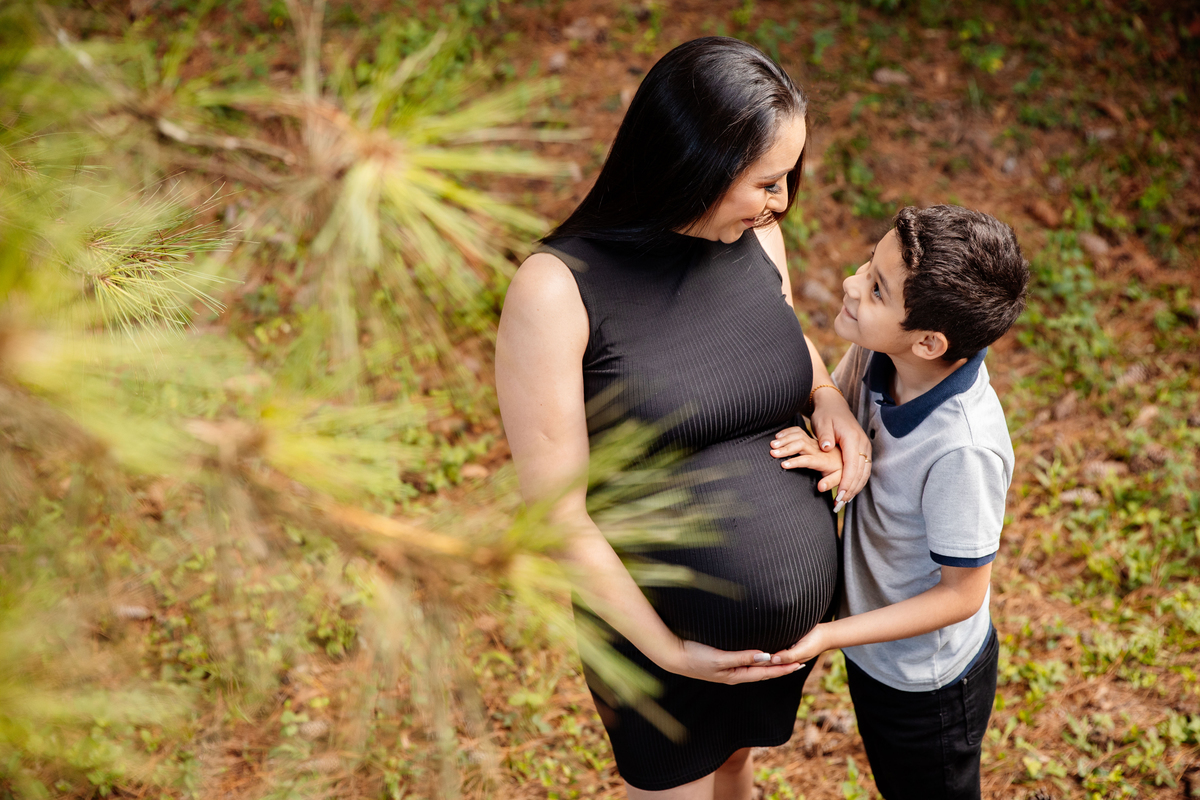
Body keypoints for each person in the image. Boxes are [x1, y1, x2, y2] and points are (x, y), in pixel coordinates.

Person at [495, 37, 872, 800]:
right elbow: (557, 514)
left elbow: (781, 338)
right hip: (652, 633)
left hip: (775, 649)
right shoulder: (554, 291)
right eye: (768, 181)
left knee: (736, 766)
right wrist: (668, 651)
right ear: (694, 164)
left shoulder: (756, 233)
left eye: (789, 177)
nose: (784, 202)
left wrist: (828, 399)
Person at [767, 205, 1029, 800]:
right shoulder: (877, 352)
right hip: (875, 654)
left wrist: (833, 635)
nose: (851, 282)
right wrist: (836, 448)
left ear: (930, 342)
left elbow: (962, 594)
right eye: (869, 264)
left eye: (877, 289)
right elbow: (843, 425)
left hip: (925, 685)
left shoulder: (964, 449)